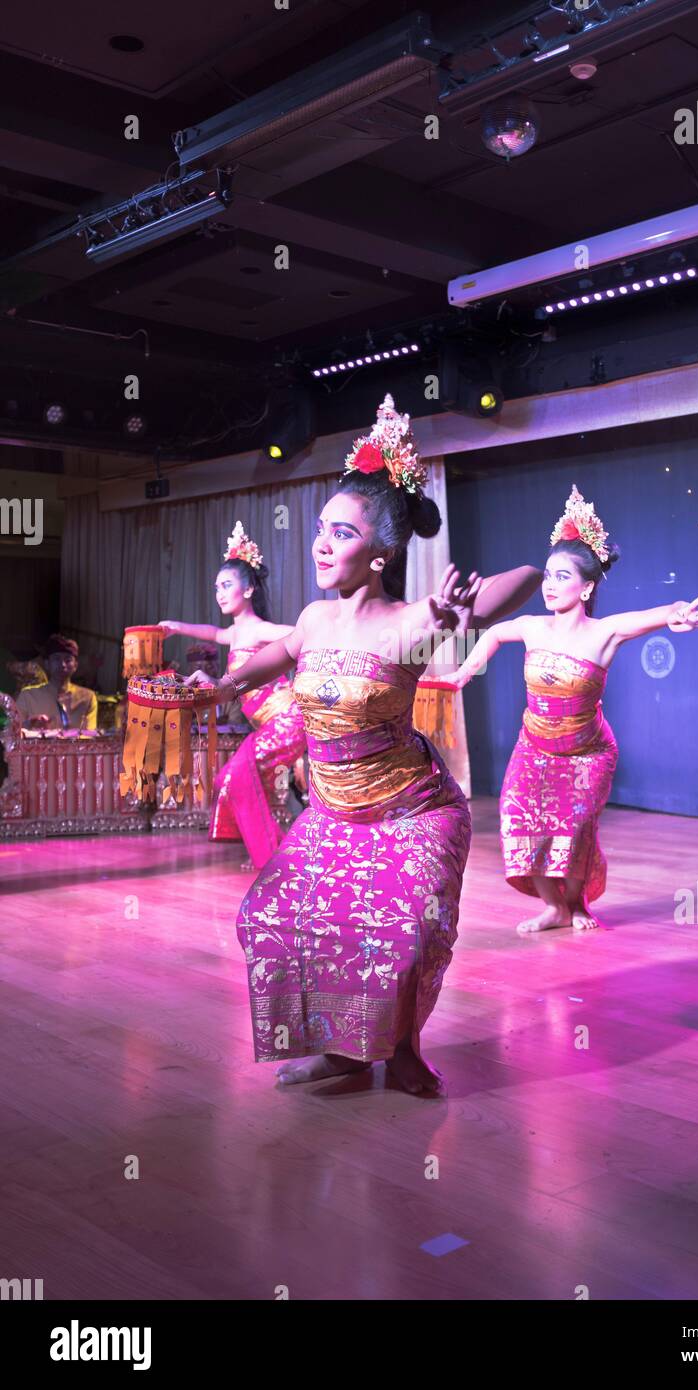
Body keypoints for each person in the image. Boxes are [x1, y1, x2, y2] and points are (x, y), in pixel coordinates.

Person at [187, 393, 541, 1093]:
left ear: (381, 552)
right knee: (273, 919)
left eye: (341, 533)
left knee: (403, 935)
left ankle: (402, 1049)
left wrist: (461, 610)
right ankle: (344, 1052)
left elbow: (524, 581)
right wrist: (221, 688)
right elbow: (274, 657)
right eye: (321, 528)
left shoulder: (413, 621)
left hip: (412, 811)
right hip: (333, 813)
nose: (321, 543)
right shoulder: (315, 618)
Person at [452, 484, 698, 933]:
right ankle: (553, 907)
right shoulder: (533, 627)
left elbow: (661, 612)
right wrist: (466, 671)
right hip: (534, 748)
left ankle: (575, 905)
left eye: (562, 577)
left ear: (587, 586)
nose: (550, 585)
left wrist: (678, 613)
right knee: (518, 821)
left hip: (587, 754)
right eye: (548, 576)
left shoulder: (604, 632)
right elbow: (494, 633)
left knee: (573, 830)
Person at [160, 522, 306, 869]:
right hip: (269, 726)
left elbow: (308, 634)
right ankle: (278, 854)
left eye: (226, 585)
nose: (219, 593)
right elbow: (213, 632)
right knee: (241, 780)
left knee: (234, 776)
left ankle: (273, 856)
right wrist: (177, 627)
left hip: (287, 719)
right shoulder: (236, 632)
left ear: (249, 589)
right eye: (216, 587)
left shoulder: (260, 630)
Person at [15, 634, 98, 731]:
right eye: (56, 659)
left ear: (75, 666)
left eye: (68, 660)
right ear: (47, 664)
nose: (62, 665)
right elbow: (13, 731)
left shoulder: (88, 698)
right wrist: (29, 724)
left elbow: (90, 735)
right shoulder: (28, 696)